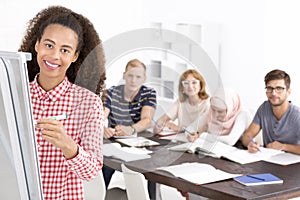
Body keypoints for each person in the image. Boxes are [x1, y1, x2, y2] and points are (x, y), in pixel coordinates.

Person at [18, 6, 106, 199]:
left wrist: (68, 146)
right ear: (37, 45)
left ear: (75, 56)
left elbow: (91, 171)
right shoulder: (16, 95)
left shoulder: (88, 103)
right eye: (49, 45)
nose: (55, 56)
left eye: (65, 50)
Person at [102, 58, 157, 196]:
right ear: (124, 75)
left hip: (139, 140)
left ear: (144, 78)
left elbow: (147, 120)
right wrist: (102, 128)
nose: (133, 80)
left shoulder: (148, 93)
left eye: (138, 77)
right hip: (115, 140)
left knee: (153, 170)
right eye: (130, 75)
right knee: (105, 165)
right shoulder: (111, 92)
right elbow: (101, 116)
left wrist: (131, 129)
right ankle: (100, 194)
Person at [242, 69, 300, 155]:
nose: (273, 93)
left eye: (279, 88)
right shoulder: (264, 108)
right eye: (270, 88)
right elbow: (247, 136)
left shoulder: (297, 115)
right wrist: (250, 144)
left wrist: (283, 146)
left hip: (293, 164)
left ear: (288, 92)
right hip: (268, 161)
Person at [153, 69, 210, 134]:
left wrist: (174, 127)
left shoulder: (208, 103)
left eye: (194, 82)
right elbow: (160, 121)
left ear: (200, 86)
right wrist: (159, 126)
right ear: (182, 88)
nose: (190, 86)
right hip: (182, 139)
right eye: (186, 83)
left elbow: (194, 130)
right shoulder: (180, 102)